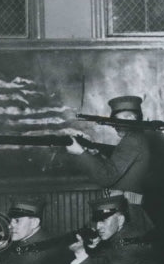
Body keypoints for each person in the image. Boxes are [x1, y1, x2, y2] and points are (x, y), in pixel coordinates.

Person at [65, 95, 155, 229]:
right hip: (127, 209)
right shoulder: (137, 138)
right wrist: (95, 153)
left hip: (125, 210)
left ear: (133, 118)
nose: (115, 124)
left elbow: (106, 177)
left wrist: (81, 153)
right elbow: (116, 168)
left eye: (122, 119)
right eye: (115, 120)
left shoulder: (132, 140)